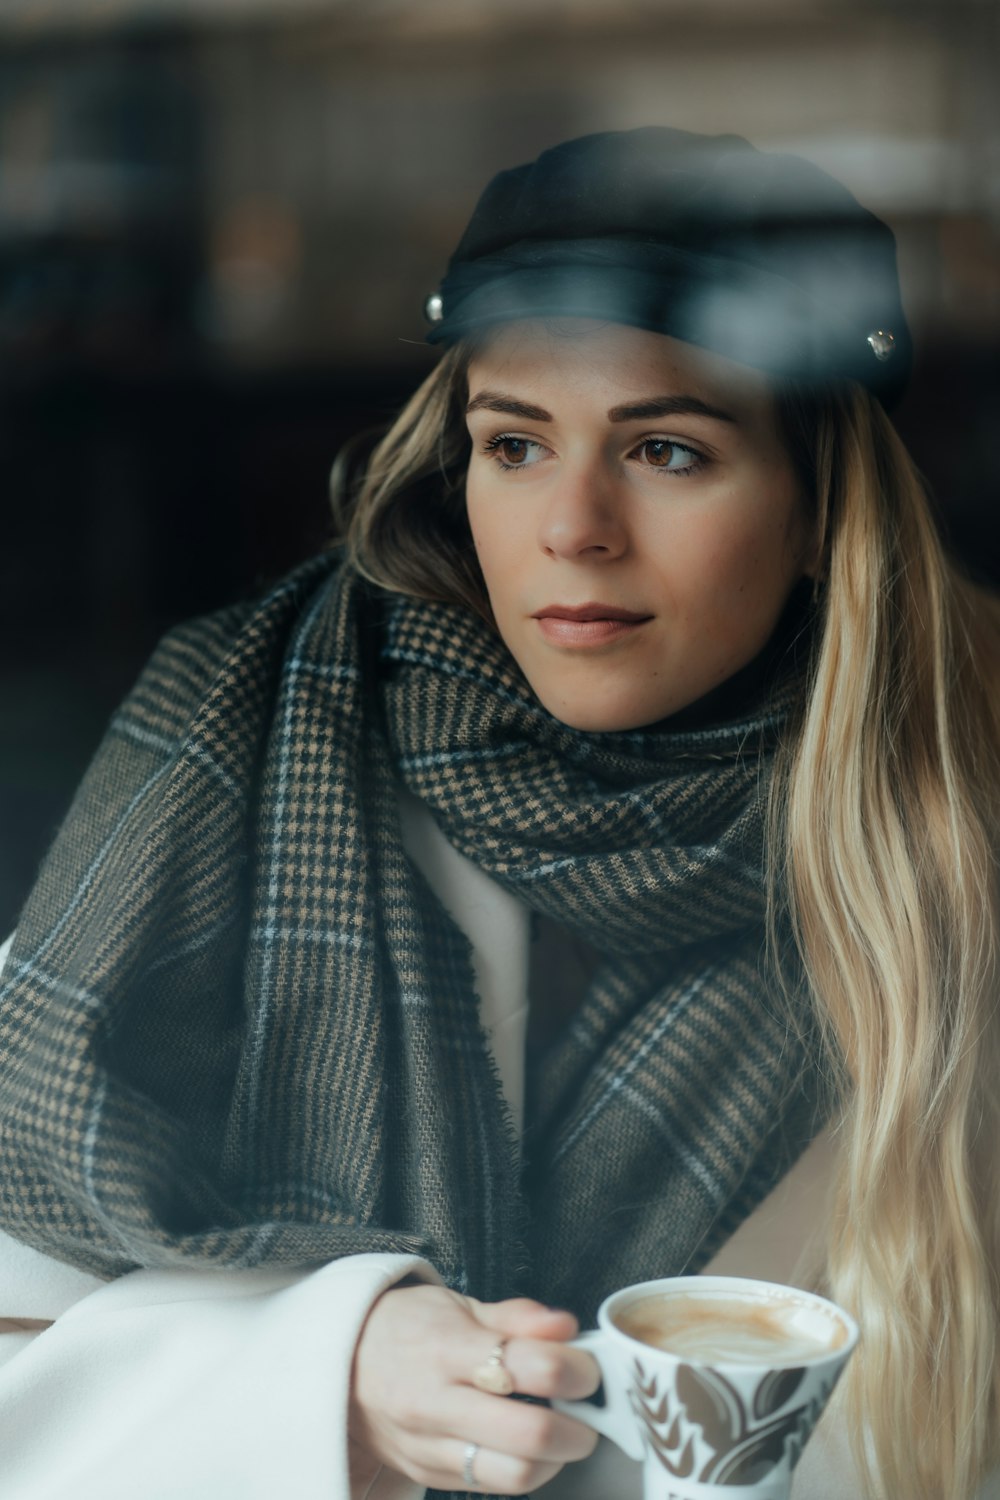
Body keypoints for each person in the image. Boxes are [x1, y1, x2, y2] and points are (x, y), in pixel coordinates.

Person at [0, 126, 998, 1500]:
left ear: (822, 511)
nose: (573, 526)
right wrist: (330, 1361)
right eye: (515, 444)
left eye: (666, 449)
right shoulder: (233, 736)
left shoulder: (953, 827)